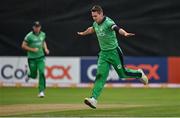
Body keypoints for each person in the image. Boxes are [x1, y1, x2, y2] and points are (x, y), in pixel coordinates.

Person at [77, 5, 148, 109]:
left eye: (95, 16)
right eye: (92, 16)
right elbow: (92, 29)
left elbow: (117, 28)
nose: (94, 18)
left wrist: (124, 33)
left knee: (123, 74)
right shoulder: (95, 23)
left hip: (114, 52)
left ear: (101, 14)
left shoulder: (108, 22)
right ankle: (94, 99)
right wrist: (83, 33)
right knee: (100, 76)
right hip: (103, 54)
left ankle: (139, 74)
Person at [21, 21, 49, 98]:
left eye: (38, 27)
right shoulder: (29, 36)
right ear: (33, 27)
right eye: (36, 27)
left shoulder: (43, 34)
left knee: (42, 72)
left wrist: (45, 49)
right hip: (32, 58)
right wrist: (32, 49)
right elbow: (23, 46)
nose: (37, 28)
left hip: (41, 57)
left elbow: (43, 42)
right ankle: (28, 74)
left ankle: (41, 91)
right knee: (33, 75)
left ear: (40, 27)